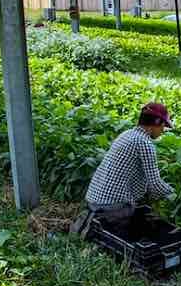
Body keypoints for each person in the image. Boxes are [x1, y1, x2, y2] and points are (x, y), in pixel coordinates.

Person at [70, 102, 175, 237]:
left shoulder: (127, 134)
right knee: (135, 223)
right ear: (155, 123)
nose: (163, 130)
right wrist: (174, 196)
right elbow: (155, 185)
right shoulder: (145, 143)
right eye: (163, 126)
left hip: (93, 200)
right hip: (111, 206)